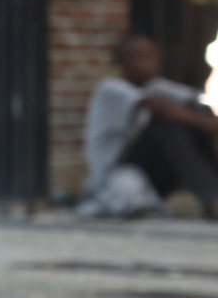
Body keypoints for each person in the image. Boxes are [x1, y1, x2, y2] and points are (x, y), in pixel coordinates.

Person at [81, 33, 218, 218]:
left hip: (151, 176)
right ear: (122, 62)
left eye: (153, 56)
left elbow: (198, 98)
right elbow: (162, 108)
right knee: (167, 124)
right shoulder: (111, 89)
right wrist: (206, 124)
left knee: (199, 118)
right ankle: (211, 200)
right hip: (118, 176)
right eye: (142, 56)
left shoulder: (155, 85)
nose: (152, 62)